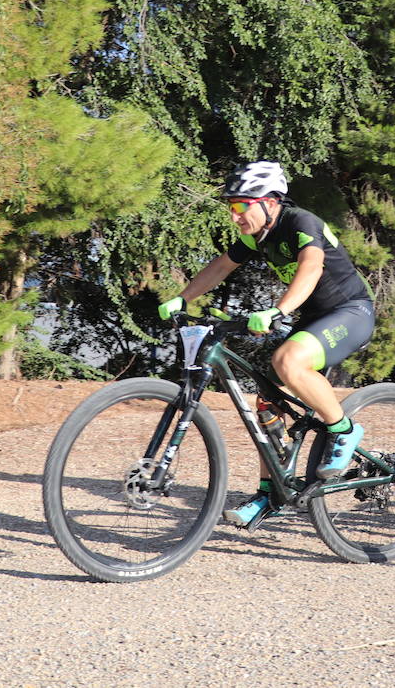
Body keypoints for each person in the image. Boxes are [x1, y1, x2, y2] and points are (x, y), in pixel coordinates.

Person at [157, 161, 376, 528]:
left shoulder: (300, 222)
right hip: (311, 318)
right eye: (232, 207)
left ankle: (343, 429)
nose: (235, 215)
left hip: (350, 311)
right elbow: (221, 266)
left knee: (287, 360)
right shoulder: (256, 236)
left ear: (270, 202)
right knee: (268, 402)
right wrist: (183, 298)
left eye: (242, 205)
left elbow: (311, 268)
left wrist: (278, 309)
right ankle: (270, 495)